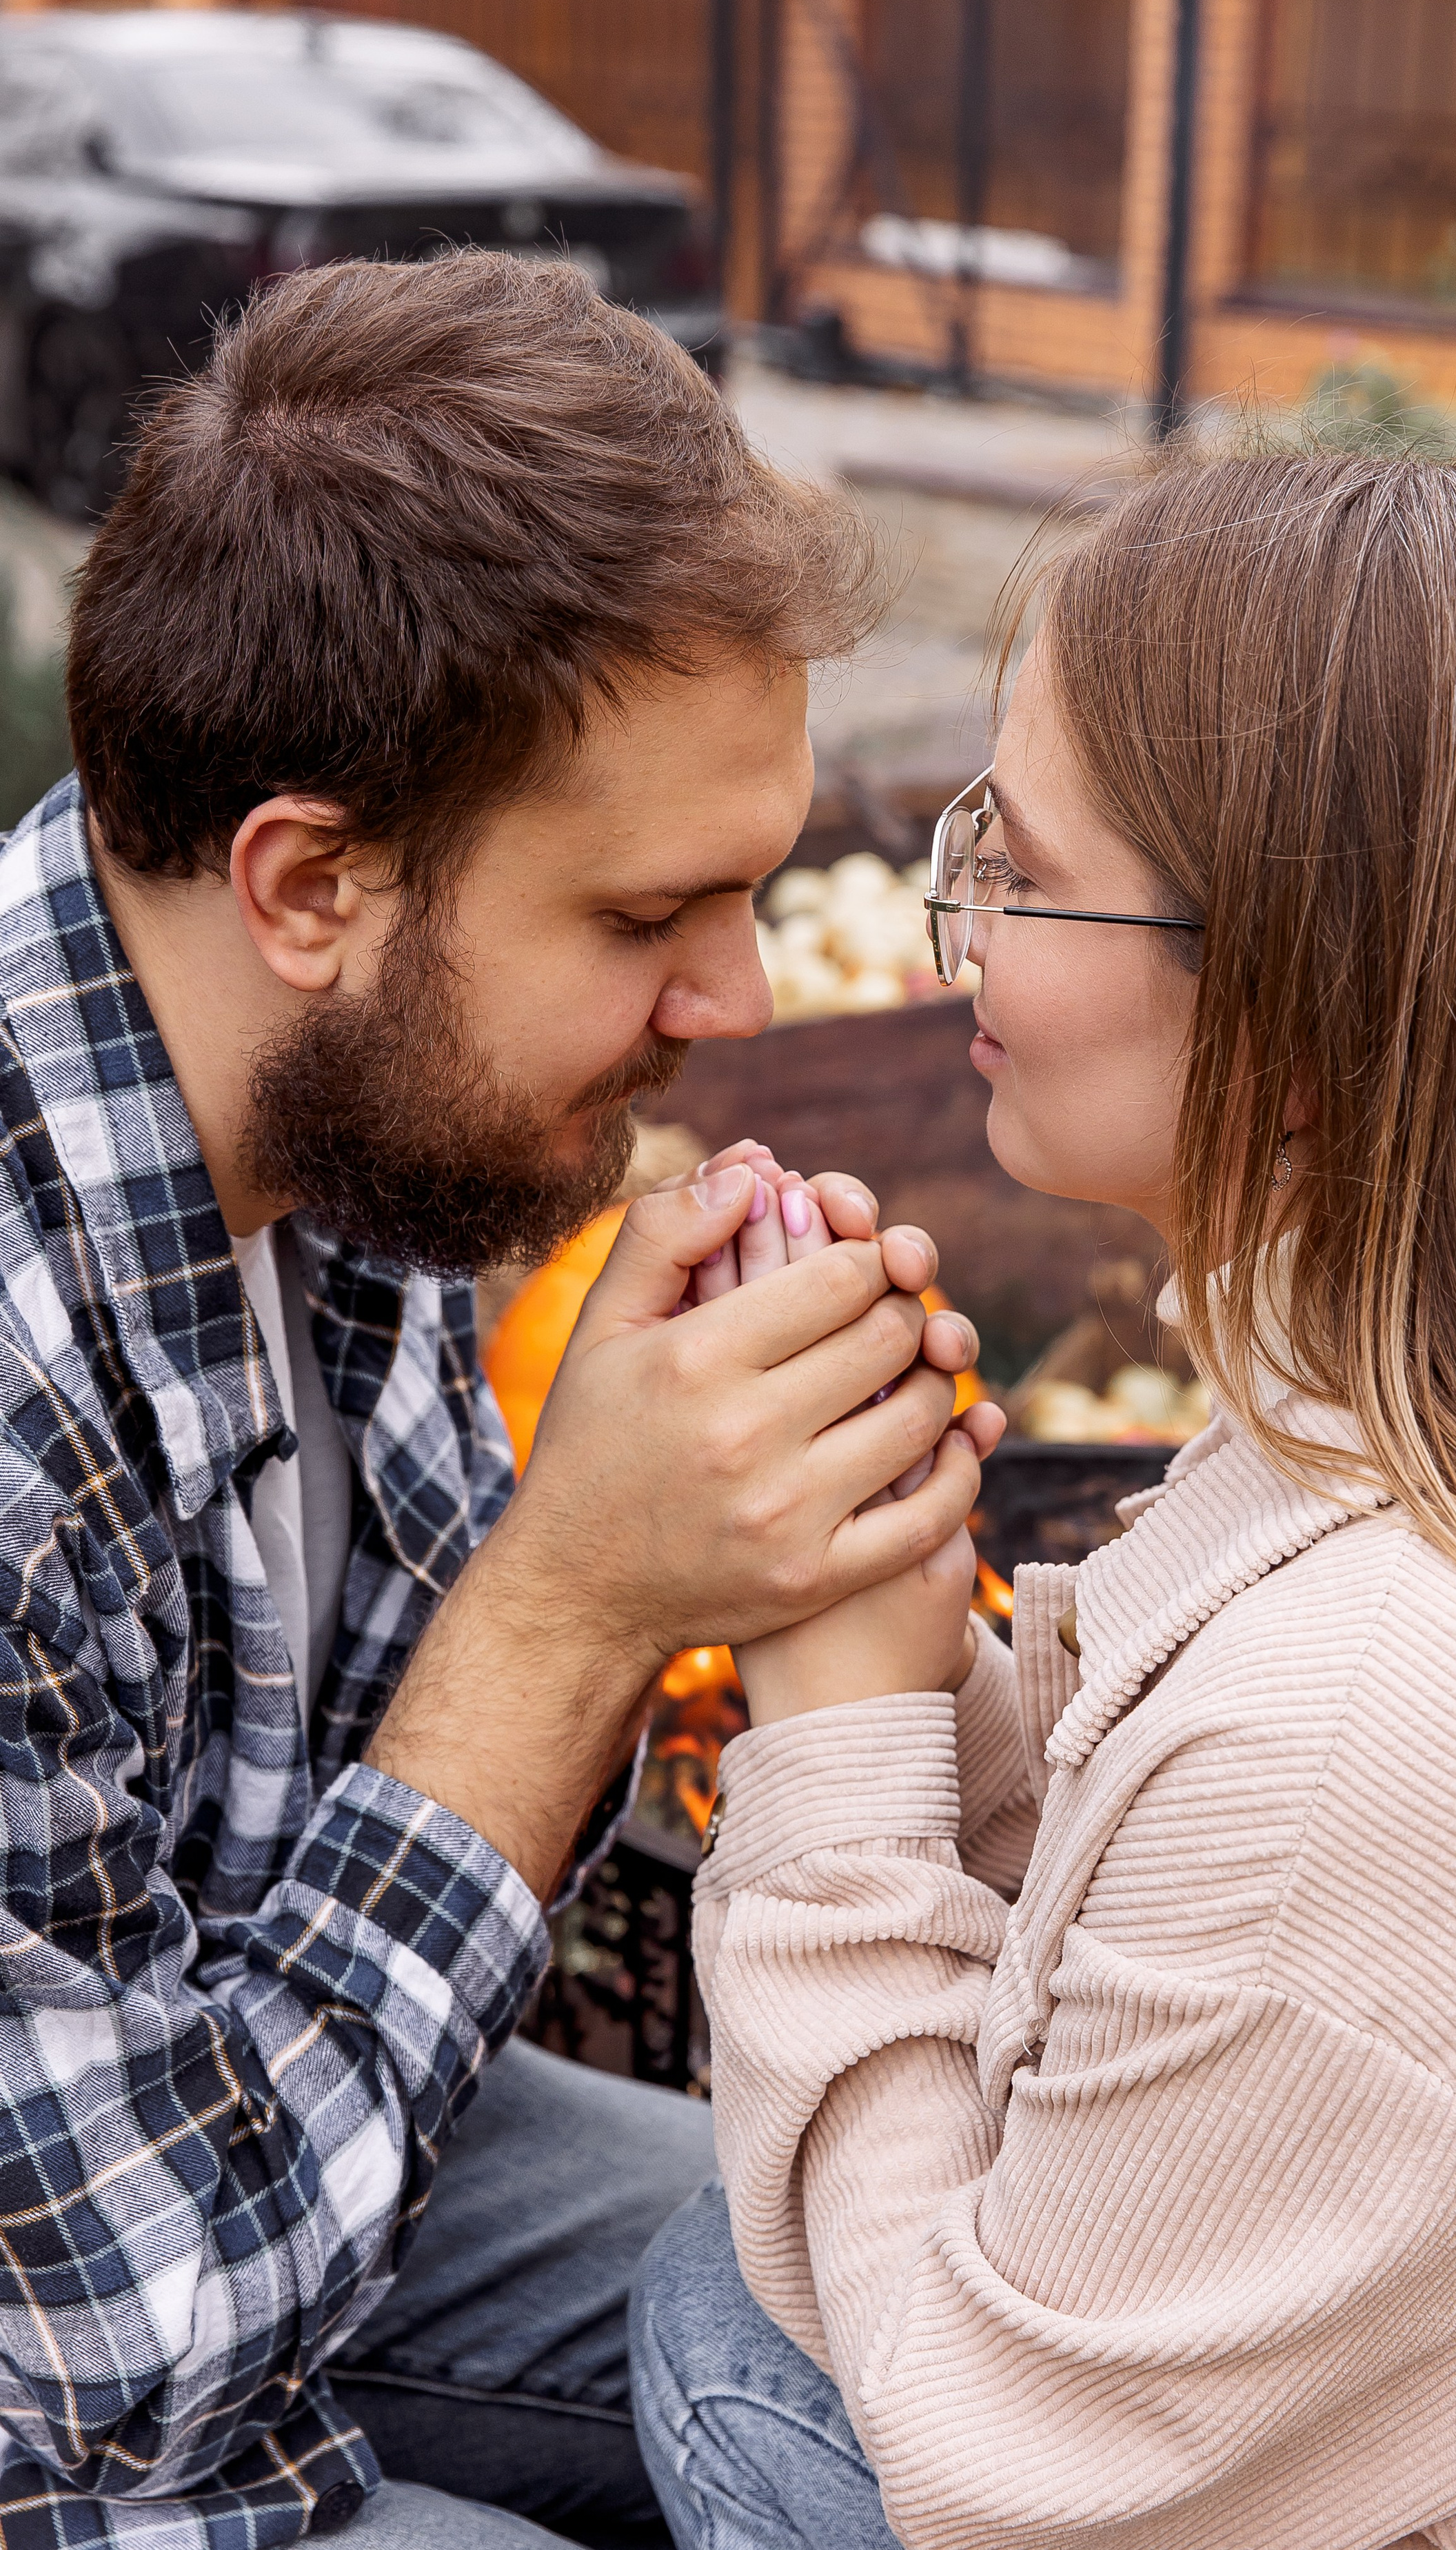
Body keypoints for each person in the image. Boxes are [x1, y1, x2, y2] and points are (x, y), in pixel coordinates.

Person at [630, 446, 1456, 2550]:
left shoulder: (1378, 1716)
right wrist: (933, 1669)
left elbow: (986, 2470)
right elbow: (1208, 1923)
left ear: (1298, 1009)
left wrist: (841, 1750)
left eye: (1022, 866)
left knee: (722, 2326)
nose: (960, 929)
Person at [0, 250, 995, 2548]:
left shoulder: (353, 1130)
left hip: (238, 2130)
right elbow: (112, 2360)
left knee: (915, 2352)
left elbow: (396, 1873)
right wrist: (575, 1601)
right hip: (78, 2345)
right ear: (310, 882)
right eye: (650, 915)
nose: (739, 999)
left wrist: (743, 1546)